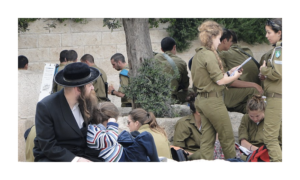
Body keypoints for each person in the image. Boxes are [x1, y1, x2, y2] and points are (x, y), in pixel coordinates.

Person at [191, 20, 242, 160]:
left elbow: (212, 78)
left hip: (203, 100)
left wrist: (229, 72)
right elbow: (219, 81)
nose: (220, 42)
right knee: (227, 136)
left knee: (207, 139)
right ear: (212, 37)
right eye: (219, 38)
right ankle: (232, 164)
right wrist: (235, 76)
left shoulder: (199, 54)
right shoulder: (208, 54)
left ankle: (205, 165)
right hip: (213, 101)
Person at [33, 62, 103, 162]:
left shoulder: (87, 101)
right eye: (89, 85)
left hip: (83, 154)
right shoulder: (46, 106)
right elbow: (48, 146)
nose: (92, 88)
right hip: (56, 157)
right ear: (78, 89)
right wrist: (76, 160)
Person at [86, 102, 160, 162]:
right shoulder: (93, 131)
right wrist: (112, 124)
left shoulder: (97, 129)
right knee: (146, 136)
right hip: (125, 158)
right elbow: (111, 139)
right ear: (109, 119)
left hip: (123, 153)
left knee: (134, 135)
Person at [218, 29, 263, 114]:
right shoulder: (246, 51)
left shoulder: (223, 53)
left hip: (223, 93)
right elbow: (226, 82)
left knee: (249, 104)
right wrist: (254, 85)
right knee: (253, 93)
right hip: (220, 94)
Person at [173, 93, 225, 160]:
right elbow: (177, 149)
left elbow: (217, 146)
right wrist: (194, 155)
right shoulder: (184, 123)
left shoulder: (211, 123)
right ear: (198, 111)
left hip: (208, 155)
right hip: (191, 157)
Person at [259, 18, 282, 162]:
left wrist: (264, 69)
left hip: (277, 98)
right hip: (277, 96)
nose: (267, 36)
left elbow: (279, 73)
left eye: (269, 32)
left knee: (270, 138)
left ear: (279, 33)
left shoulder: (280, 50)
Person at [238, 95, 282, 161]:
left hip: (268, 151)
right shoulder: (245, 119)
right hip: (251, 151)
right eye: (251, 116)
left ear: (264, 111)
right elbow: (243, 142)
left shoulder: (271, 120)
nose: (255, 119)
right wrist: (257, 151)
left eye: (257, 116)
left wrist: (261, 151)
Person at [154, 37, 191, 103]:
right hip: (171, 99)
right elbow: (185, 87)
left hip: (155, 98)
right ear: (174, 47)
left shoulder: (155, 58)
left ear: (162, 49)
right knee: (191, 92)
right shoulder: (181, 62)